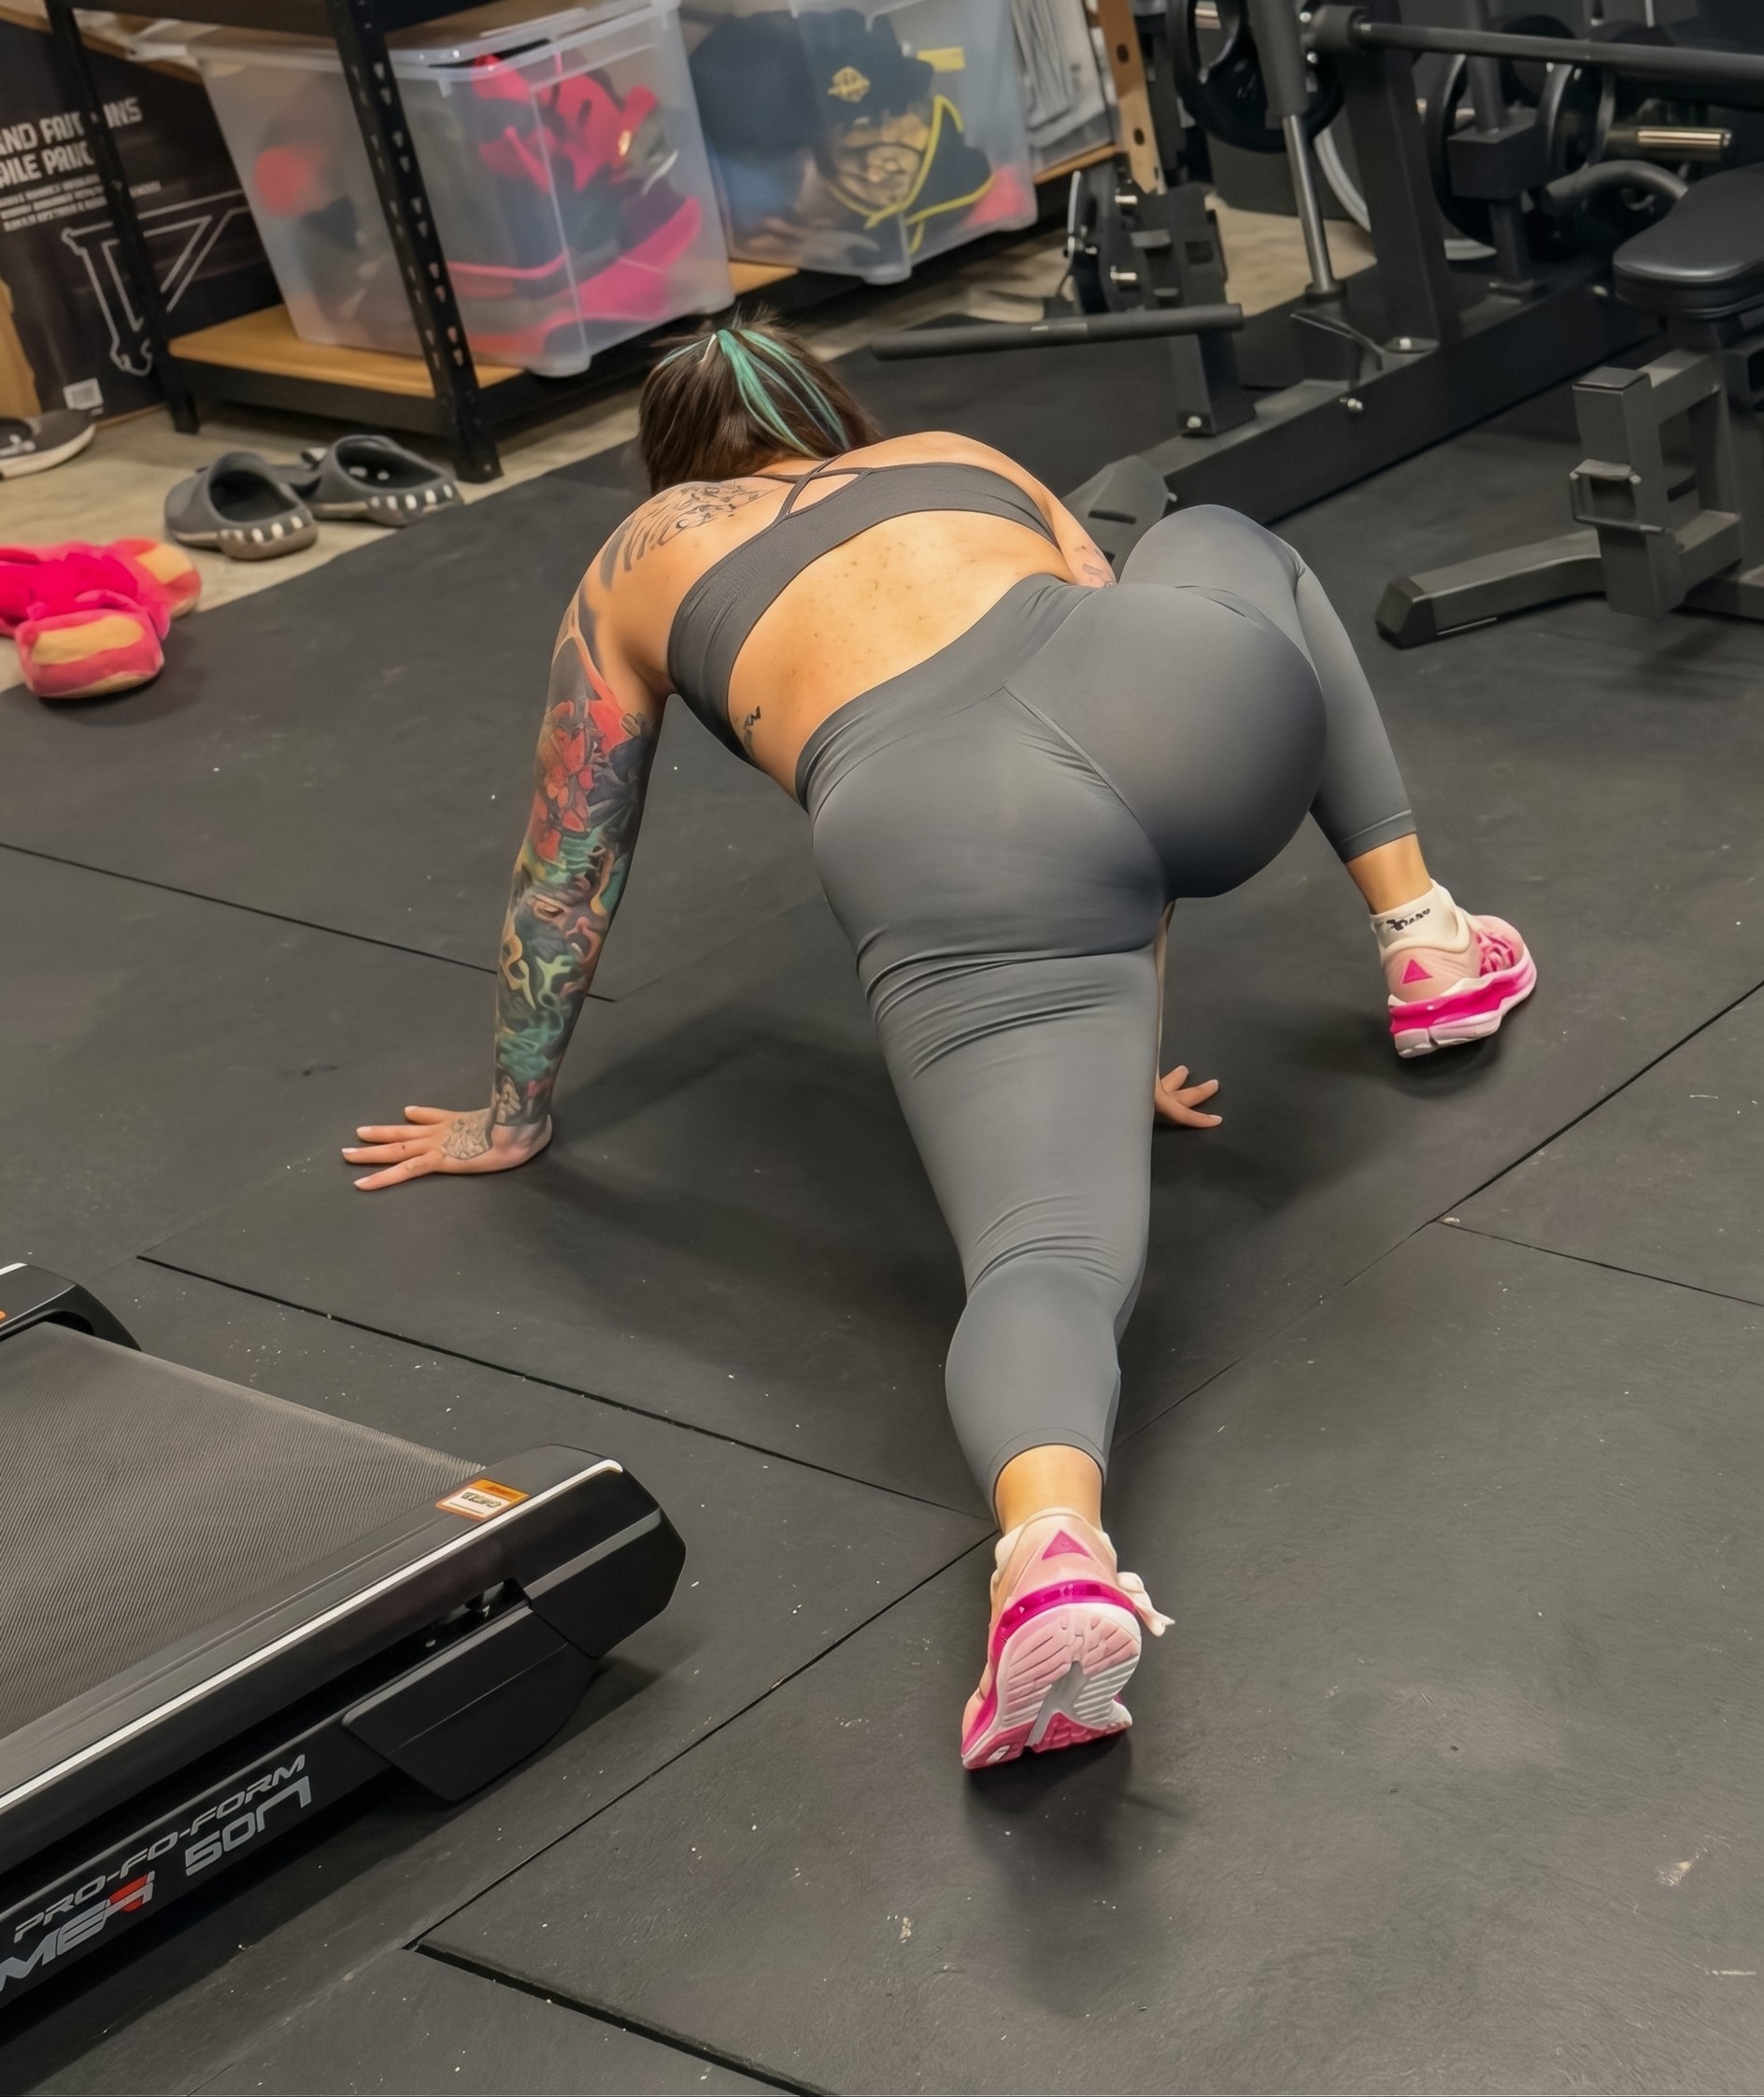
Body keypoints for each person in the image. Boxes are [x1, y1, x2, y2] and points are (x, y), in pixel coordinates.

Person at [346, 316, 1535, 1771]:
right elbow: (1106, 699)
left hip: (950, 834)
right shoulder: (954, 457)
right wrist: (1136, 1039)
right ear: (832, 416)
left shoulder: (636, 562)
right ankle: (1425, 939)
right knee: (1223, 537)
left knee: (1045, 1260)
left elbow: (569, 861)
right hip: (1197, 711)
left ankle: (1054, 1556)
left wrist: (512, 1108)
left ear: (672, 464)